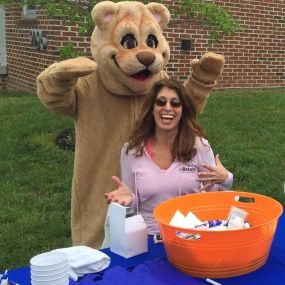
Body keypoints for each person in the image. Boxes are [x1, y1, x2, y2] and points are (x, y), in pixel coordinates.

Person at [104, 78, 233, 234]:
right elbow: (133, 199)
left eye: (175, 103)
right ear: (151, 109)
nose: (167, 108)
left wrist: (226, 179)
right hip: (147, 237)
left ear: (183, 110)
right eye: (160, 102)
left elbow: (213, 196)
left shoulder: (199, 147)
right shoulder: (131, 150)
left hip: (189, 235)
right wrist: (128, 200)